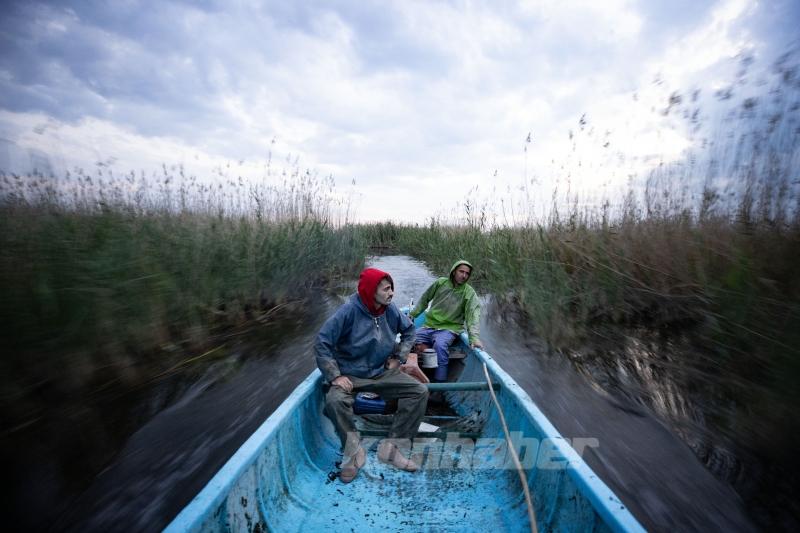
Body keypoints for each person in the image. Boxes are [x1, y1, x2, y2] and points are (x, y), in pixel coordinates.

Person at [315, 267, 429, 483]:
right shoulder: (348, 312)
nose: (391, 293)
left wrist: (399, 358)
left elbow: (410, 331)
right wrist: (335, 376)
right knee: (334, 400)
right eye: (386, 289)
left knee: (419, 391)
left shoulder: (390, 310)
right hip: (351, 374)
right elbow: (322, 343)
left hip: (380, 372)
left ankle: (392, 448)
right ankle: (354, 451)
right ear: (370, 291)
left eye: (391, 289)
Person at [408, 259, 482, 382]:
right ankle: (424, 359)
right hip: (429, 326)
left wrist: (474, 338)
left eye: (467, 273)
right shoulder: (440, 283)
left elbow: (473, 315)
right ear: (454, 272)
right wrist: (412, 315)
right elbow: (424, 299)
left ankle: (439, 381)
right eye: (461, 272)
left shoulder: (469, 292)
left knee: (440, 346)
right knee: (409, 339)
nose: (464, 276)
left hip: (449, 329)